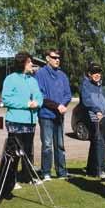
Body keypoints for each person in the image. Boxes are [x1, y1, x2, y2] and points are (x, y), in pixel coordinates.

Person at [1, 52, 43, 188]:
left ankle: (28, 176)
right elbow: (6, 99)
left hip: (30, 122)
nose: (32, 64)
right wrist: (26, 103)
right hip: (15, 121)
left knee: (27, 151)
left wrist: (37, 103)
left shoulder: (33, 80)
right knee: (14, 153)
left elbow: (39, 97)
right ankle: (10, 180)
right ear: (23, 63)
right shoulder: (10, 79)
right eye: (30, 62)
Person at [35, 49, 72, 181]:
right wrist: (57, 106)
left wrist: (62, 105)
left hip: (59, 116)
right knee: (47, 145)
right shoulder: (40, 74)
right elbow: (41, 96)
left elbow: (68, 94)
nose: (57, 60)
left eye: (58, 57)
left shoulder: (62, 75)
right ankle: (46, 172)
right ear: (47, 58)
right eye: (54, 57)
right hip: (46, 115)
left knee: (60, 145)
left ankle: (61, 172)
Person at [80, 63, 105, 179]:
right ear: (89, 74)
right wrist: (97, 111)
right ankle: (100, 170)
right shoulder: (85, 85)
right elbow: (87, 101)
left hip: (102, 115)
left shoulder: (100, 86)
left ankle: (91, 169)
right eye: (94, 73)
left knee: (96, 141)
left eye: (99, 72)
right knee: (99, 141)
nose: (97, 75)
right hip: (93, 115)